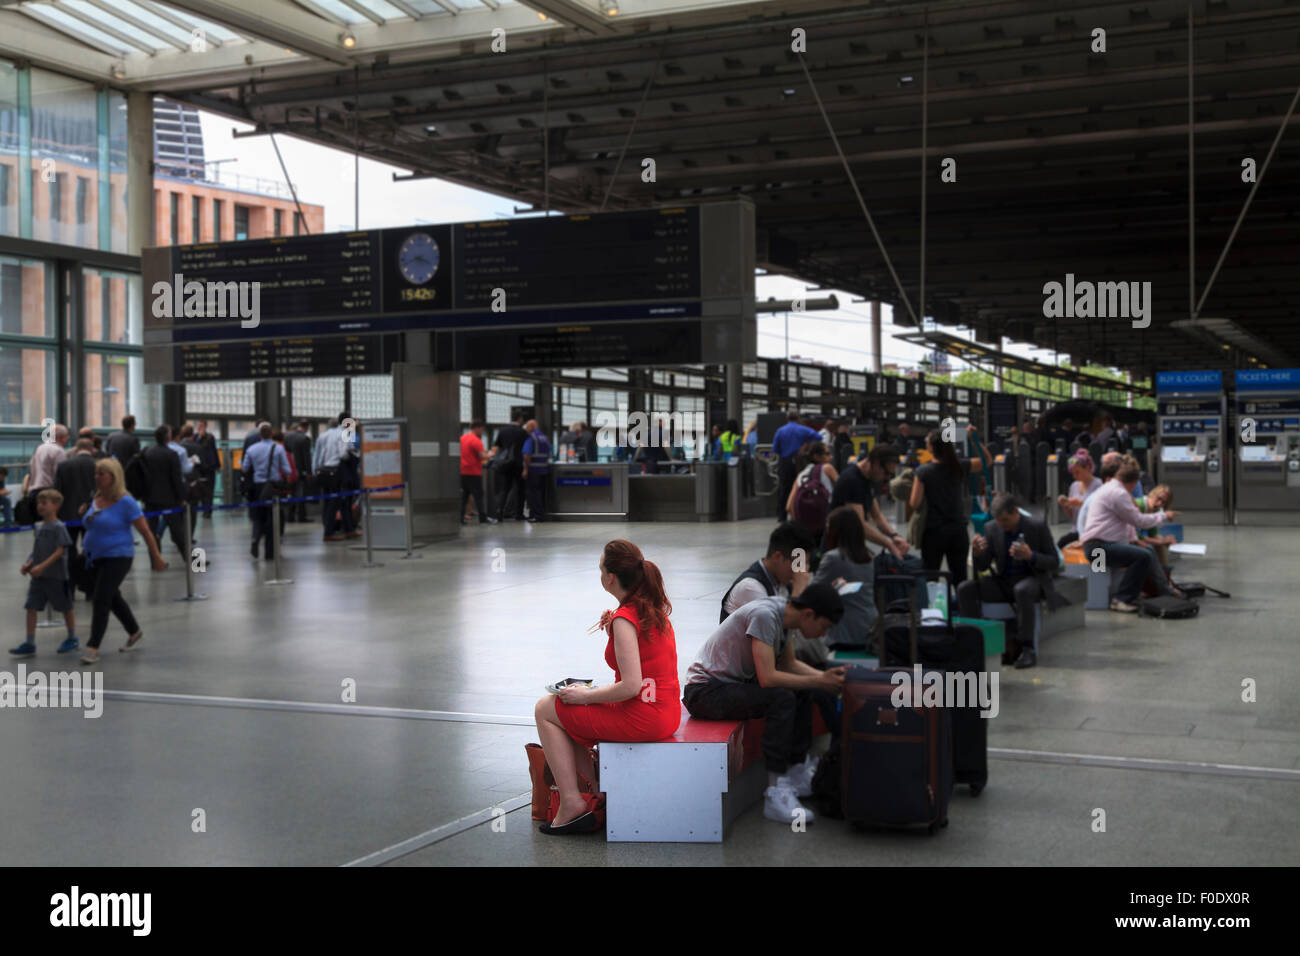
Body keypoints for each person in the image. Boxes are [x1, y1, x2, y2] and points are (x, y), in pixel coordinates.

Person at [533, 540, 680, 834]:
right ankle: (597, 790)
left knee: (546, 708)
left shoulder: (626, 619)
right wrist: (614, 626)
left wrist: (586, 697)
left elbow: (630, 685)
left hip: (642, 717)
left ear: (610, 578)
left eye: (600, 568)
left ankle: (573, 801)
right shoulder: (649, 607)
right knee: (567, 710)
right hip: (665, 712)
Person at [683, 584, 846, 825]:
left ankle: (796, 770)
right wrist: (821, 680)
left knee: (802, 689)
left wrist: (825, 679)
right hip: (704, 693)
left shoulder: (786, 616)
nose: (823, 635)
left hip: (727, 687)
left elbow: (789, 664)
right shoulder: (766, 615)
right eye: (824, 627)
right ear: (809, 614)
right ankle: (775, 791)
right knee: (782, 698)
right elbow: (767, 678)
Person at [77, 458, 167, 665]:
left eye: (101, 474)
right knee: (112, 597)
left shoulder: (126, 502)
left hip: (118, 556)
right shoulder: (95, 498)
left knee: (101, 599)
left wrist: (156, 557)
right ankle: (134, 632)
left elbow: (145, 531)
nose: (96, 477)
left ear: (113, 477)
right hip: (94, 556)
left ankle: (93, 646)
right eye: (96, 473)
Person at [959, 493, 1063, 669]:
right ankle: (973, 641)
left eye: (1005, 520)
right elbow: (983, 566)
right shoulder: (992, 528)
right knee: (965, 588)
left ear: (1016, 511)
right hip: (1004, 580)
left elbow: (1054, 562)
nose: (1002, 525)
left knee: (1022, 590)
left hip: (1032, 578)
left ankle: (1028, 648)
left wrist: (1031, 556)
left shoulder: (1036, 526)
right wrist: (977, 554)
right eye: (999, 521)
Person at [1080, 459, 1184, 612]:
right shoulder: (1119, 493)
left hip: (1097, 547)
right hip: (1098, 551)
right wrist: (1163, 516)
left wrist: (1134, 540)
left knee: (1147, 551)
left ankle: (1162, 590)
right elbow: (1138, 521)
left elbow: (1125, 523)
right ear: (1134, 482)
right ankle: (1121, 599)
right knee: (1142, 556)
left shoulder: (1109, 488)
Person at [908, 426, 988, 585]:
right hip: (958, 531)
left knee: (931, 578)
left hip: (933, 533)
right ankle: (961, 607)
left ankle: (935, 609)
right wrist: (975, 441)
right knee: (960, 577)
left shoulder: (923, 472)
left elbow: (914, 503)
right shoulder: (959, 466)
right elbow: (987, 461)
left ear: (931, 447)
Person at [8, 489, 77, 658]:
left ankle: (72, 638)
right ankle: (30, 642)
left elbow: (60, 551)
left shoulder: (59, 527)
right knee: (31, 607)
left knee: (65, 608)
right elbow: (37, 550)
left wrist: (42, 567)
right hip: (38, 578)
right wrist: (29, 564)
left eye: (44, 503)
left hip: (57, 577)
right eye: (39, 503)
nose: (40, 506)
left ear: (55, 506)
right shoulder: (39, 527)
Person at [720, 522, 816, 622]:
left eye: (806, 563)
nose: (802, 571)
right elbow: (779, 625)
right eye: (798, 564)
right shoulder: (750, 587)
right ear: (777, 557)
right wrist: (798, 590)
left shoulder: (781, 582)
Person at [810, 506, 877, 649]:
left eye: (829, 527)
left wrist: (800, 579)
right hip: (869, 625)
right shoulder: (869, 557)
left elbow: (812, 592)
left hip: (843, 631)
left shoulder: (834, 558)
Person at [829, 443, 909, 559]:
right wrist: (889, 545)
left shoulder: (867, 479)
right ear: (876, 463)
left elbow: (877, 516)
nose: (887, 478)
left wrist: (894, 535)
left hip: (853, 547)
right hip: (839, 552)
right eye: (886, 473)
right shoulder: (852, 481)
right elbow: (859, 525)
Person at [243, 423, 293, 561]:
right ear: (271, 434)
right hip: (272, 487)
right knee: (272, 519)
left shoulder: (252, 449)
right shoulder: (278, 449)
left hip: (257, 487)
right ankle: (269, 553)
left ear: (259, 435)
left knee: (258, 517)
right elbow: (287, 469)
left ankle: (255, 538)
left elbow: (245, 468)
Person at [141, 425, 188, 559]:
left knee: (151, 530)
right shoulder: (171, 454)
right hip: (169, 498)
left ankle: (156, 560)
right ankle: (193, 561)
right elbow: (176, 479)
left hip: (149, 497)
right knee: (178, 531)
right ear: (168, 437)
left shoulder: (146, 452)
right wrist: (182, 497)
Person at [313, 417, 357, 541]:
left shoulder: (323, 435)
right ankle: (329, 532)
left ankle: (348, 529)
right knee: (337, 501)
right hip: (337, 471)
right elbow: (343, 453)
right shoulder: (345, 433)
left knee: (329, 501)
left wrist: (315, 470)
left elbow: (317, 455)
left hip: (324, 470)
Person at [772, 412, 821, 520]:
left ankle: (782, 515)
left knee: (784, 488)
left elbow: (775, 449)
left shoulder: (780, 431)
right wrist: (806, 445)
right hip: (800, 460)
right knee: (802, 486)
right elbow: (819, 437)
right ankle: (802, 512)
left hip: (785, 462)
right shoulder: (803, 429)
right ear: (798, 418)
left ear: (787, 418)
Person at [54, 437, 97, 557]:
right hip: (92, 512)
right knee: (90, 545)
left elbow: (57, 491)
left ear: (76, 449)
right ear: (92, 450)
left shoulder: (63, 466)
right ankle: (88, 570)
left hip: (68, 513)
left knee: (69, 546)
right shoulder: (98, 465)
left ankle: (72, 572)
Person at [785, 440, 838, 535]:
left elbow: (789, 507)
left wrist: (800, 528)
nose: (831, 457)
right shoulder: (827, 468)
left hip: (805, 530)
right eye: (827, 454)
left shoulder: (801, 475)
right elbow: (844, 490)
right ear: (817, 457)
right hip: (826, 526)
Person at [1056, 449, 1101, 548]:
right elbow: (1073, 517)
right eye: (1073, 473)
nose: (1075, 476)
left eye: (1077, 472)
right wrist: (1066, 507)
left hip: (1091, 530)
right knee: (1061, 543)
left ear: (1088, 468)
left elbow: (1100, 512)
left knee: (1062, 542)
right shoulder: (1074, 486)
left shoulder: (1098, 485)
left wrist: (1081, 504)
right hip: (1076, 529)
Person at [459, 420, 497, 525]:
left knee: (464, 496)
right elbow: (482, 456)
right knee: (479, 496)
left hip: (463, 471)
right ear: (477, 428)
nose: (482, 431)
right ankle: (483, 519)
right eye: (482, 429)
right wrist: (492, 453)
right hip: (473, 472)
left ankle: (460, 519)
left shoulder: (462, 438)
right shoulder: (476, 440)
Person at [492, 412, 528, 521]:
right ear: (520, 419)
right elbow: (526, 449)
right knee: (520, 489)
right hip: (518, 464)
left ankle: (499, 512)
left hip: (505, 464)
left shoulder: (502, 431)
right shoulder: (522, 432)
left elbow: (496, 447)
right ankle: (519, 514)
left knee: (504, 489)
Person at [191, 420, 223, 521]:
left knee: (209, 489)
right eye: (199, 425)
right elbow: (195, 448)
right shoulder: (195, 437)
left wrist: (217, 465)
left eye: (202, 425)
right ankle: (204, 508)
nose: (200, 427)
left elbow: (214, 451)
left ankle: (208, 510)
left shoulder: (210, 437)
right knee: (201, 488)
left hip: (209, 467)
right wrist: (199, 437)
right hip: (199, 467)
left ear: (205, 426)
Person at [27, 424, 68, 501]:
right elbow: (60, 473)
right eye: (66, 437)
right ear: (62, 438)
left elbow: (32, 468)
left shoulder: (40, 448)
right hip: (49, 493)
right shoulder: (59, 451)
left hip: (34, 490)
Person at [282, 422, 313, 523]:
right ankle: (301, 516)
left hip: (290, 470)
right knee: (301, 493)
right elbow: (307, 457)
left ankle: (290, 516)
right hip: (301, 471)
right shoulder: (305, 438)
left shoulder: (287, 437)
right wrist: (309, 472)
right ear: (306, 427)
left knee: (291, 493)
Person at [522, 419, 551, 522]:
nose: (526, 429)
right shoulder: (544, 437)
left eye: (527, 427)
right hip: (544, 469)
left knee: (533, 493)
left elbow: (527, 455)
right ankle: (539, 514)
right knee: (541, 493)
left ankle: (536, 516)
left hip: (533, 469)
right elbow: (549, 452)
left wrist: (526, 469)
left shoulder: (531, 437)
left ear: (531, 427)